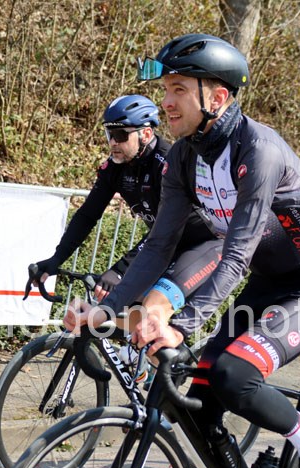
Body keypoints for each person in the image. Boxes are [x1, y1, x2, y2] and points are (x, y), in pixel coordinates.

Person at [64, 34, 300, 468]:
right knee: (197, 405)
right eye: (166, 90)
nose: (166, 103)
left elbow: (235, 254)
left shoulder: (258, 149)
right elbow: (159, 245)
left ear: (216, 98)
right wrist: (108, 307)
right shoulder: (183, 156)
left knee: (234, 376)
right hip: (267, 282)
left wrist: (180, 326)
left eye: (178, 90)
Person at [32, 94, 222, 333]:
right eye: (109, 134)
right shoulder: (115, 168)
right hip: (166, 246)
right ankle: (141, 357)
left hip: (206, 245)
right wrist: (56, 259)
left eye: (121, 135)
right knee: (125, 310)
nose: (113, 142)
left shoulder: (168, 163)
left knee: (152, 309)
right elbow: (87, 215)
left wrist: (120, 270)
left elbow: (169, 231)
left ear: (146, 133)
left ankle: (169, 352)